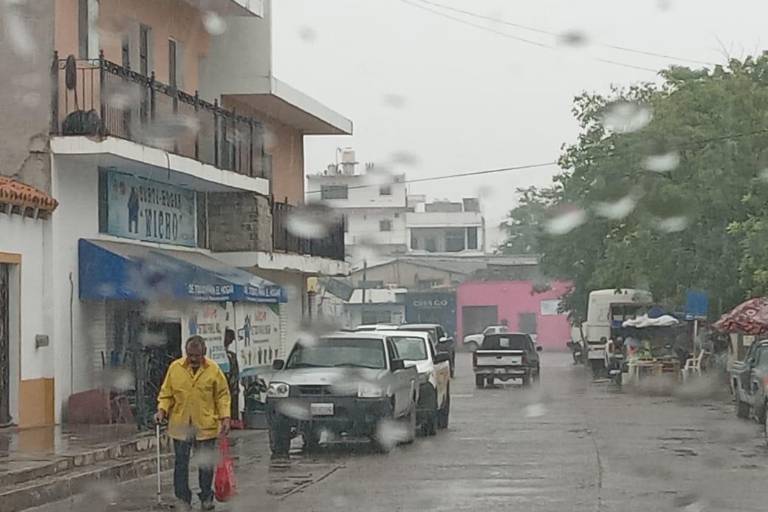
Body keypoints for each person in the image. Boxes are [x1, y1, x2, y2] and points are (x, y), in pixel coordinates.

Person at [155, 336, 231, 511]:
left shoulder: (213, 370)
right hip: (180, 425)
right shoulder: (175, 368)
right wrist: (161, 410)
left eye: (197, 355)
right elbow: (166, 394)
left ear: (204, 352)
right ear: (186, 353)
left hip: (205, 425)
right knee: (181, 463)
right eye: (190, 355)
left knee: (205, 464)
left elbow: (222, 396)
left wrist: (225, 417)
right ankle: (183, 498)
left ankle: (206, 496)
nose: (194, 359)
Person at [224, 328, 240, 424]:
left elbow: (235, 371)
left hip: (230, 382)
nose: (231, 341)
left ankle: (232, 419)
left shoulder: (232, 356)